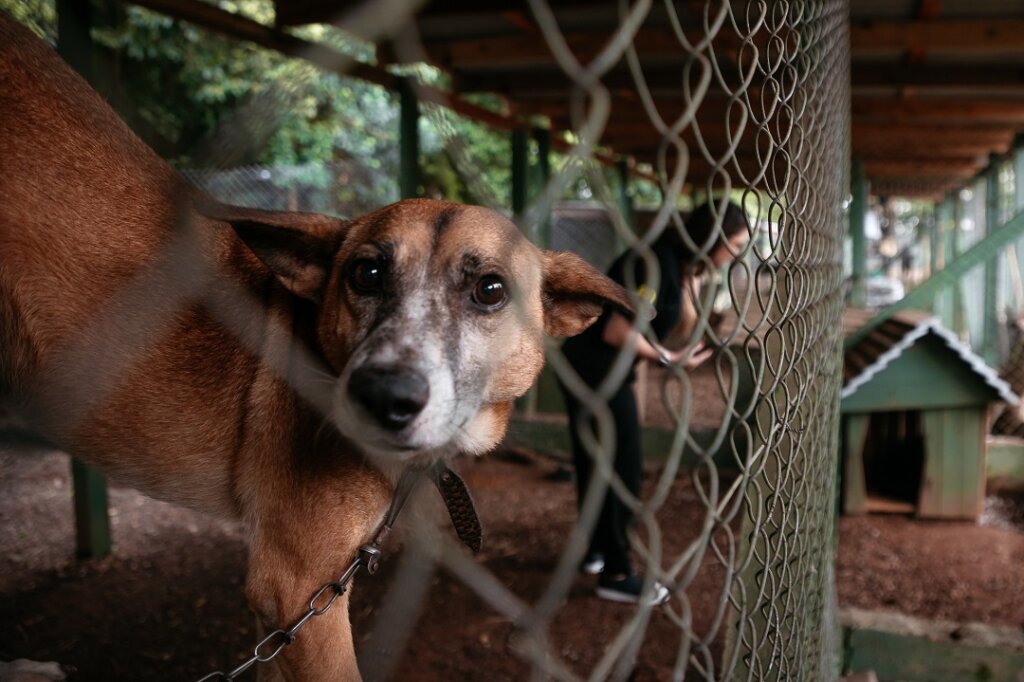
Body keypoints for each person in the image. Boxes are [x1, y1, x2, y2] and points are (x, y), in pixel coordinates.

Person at [558, 200, 750, 604]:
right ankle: (617, 571)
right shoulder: (656, 264)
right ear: (711, 237)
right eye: (734, 244)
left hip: (592, 366)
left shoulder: (674, 263)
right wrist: (669, 358)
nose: (737, 254)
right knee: (623, 467)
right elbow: (616, 330)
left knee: (596, 459)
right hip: (598, 368)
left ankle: (597, 551)